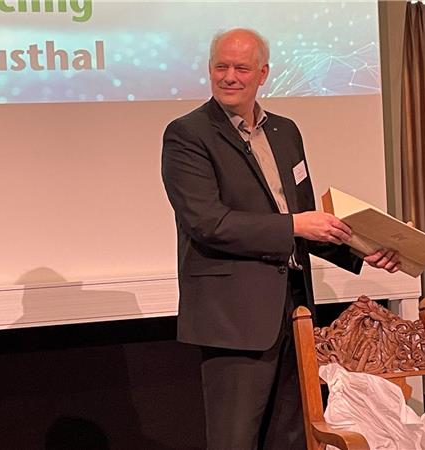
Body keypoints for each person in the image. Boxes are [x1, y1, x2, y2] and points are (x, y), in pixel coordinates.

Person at [161, 28, 400, 449]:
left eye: (241, 67)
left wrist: (366, 249)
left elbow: (310, 221)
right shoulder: (187, 134)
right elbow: (207, 222)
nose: (229, 76)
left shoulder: (285, 132)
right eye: (221, 66)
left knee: (291, 439)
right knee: (234, 440)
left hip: (295, 310)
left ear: (263, 73)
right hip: (234, 320)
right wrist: (295, 225)